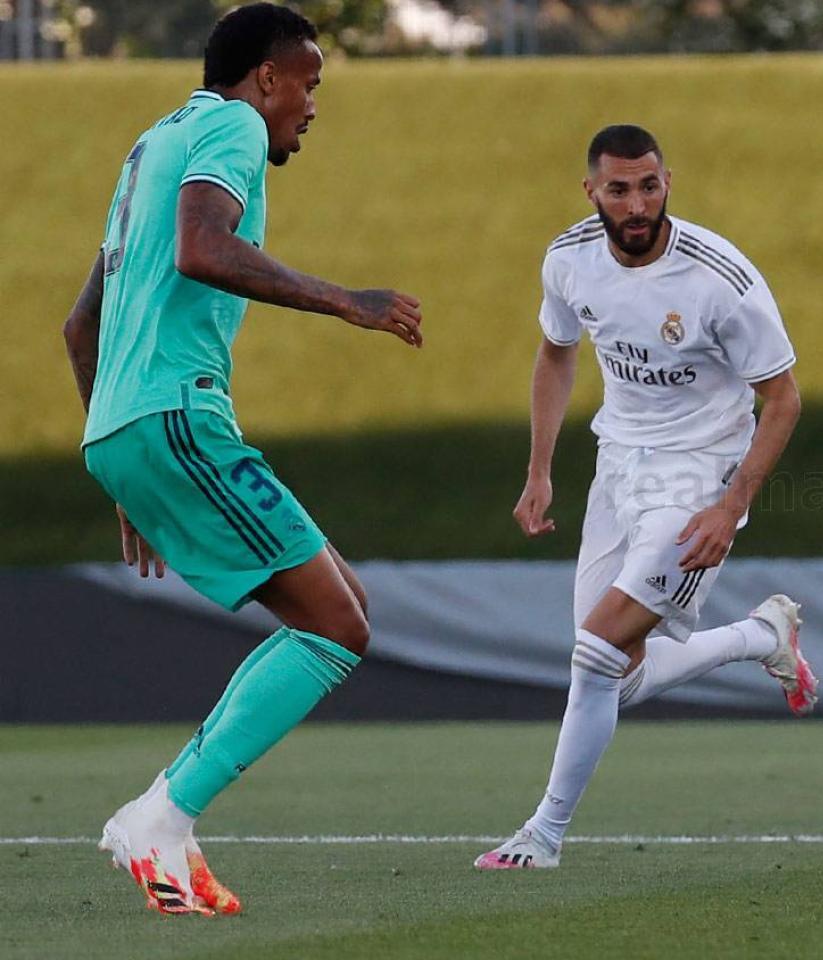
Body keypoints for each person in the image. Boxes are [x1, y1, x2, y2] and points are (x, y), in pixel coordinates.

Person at [64, 3, 424, 916]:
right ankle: (163, 814)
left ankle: (170, 824)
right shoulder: (227, 123)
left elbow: (81, 324)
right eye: (308, 83)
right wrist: (348, 301)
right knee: (339, 628)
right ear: (267, 78)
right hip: (177, 415)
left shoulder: (150, 145)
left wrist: (121, 459)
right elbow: (203, 249)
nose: (311, 105)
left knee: (344, 607)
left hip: (131, 422)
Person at [474, 124, 816, 871]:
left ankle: (544, 834)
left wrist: (730, 505)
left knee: (596, 650)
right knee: (614, 678)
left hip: (699, 477)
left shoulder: (719, 279)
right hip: (619, 466)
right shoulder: (568, 260)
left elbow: (784, 398)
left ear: (668, 183)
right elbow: (557, 354)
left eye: (650, 185)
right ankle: (761, 637)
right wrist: (539, 470)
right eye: (620, 188)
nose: (637, 203)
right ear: (592, 190)